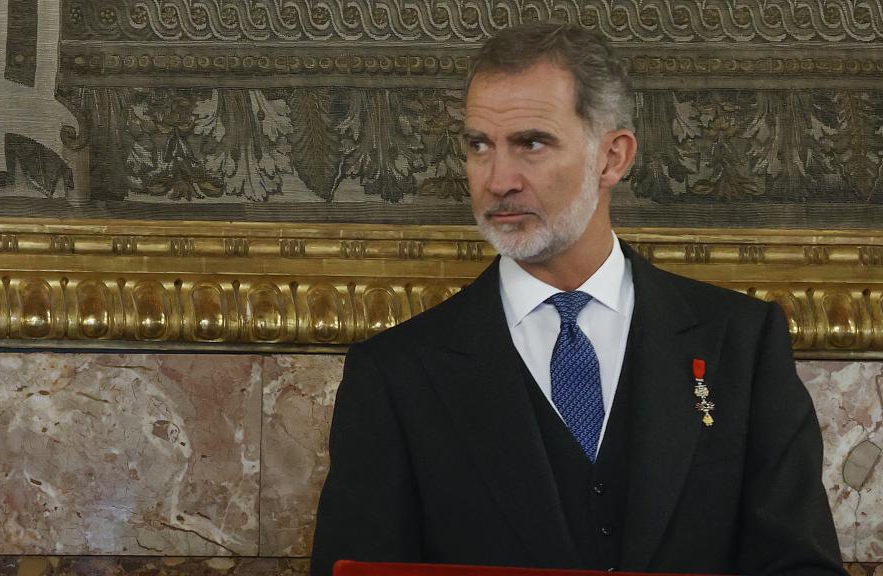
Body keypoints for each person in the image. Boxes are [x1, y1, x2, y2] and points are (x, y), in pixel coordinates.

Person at [310, 22, 844, 576]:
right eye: (479, 146)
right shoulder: (395, 374)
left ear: (612, 157)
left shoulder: (742, 344)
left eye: (531, 144)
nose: (497, 180)